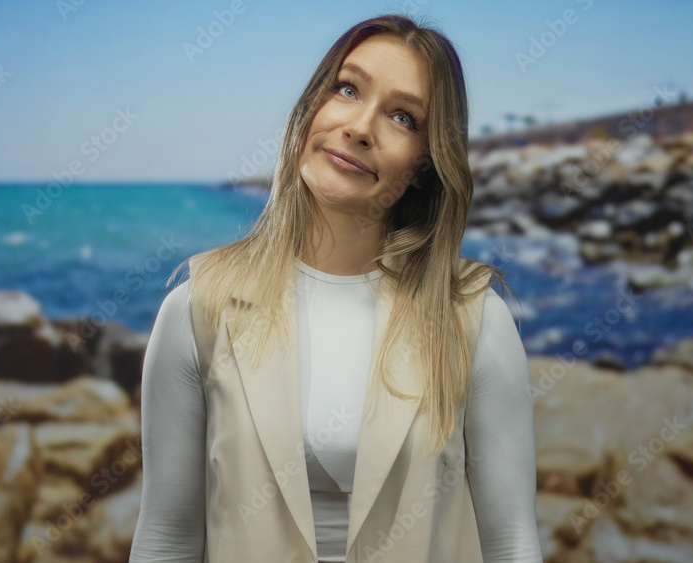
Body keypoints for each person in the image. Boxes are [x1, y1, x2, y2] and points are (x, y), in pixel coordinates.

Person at [129, 13, 542, 563]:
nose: (360, 127)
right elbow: (166, 539)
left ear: (424, 165)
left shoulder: (475, 320)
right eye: (347, 89)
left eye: (403, 117)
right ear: (310, 107)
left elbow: (512, 543)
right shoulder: (196, 309)